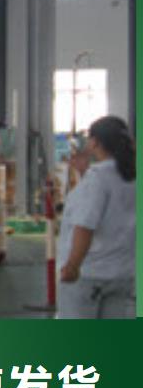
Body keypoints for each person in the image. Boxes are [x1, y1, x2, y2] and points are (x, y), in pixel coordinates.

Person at [57, 115, 136, 319]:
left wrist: (73, 266)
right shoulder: (131, 175)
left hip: (90, 273)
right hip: (123, 272)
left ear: (95, 142)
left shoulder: (98, 178)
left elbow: (85, 226)